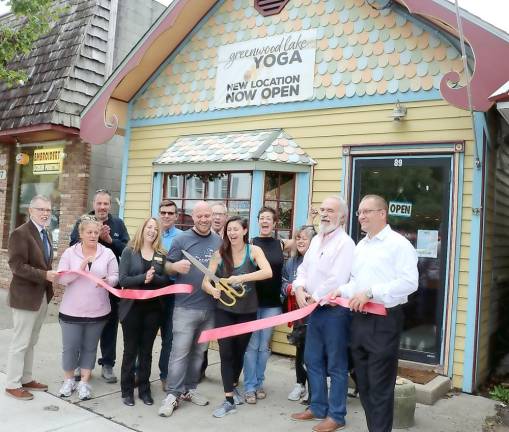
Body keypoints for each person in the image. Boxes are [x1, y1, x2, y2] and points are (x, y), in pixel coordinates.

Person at [335, 195, 418, 432]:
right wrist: (339, 291)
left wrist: (372, 292)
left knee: (380, 387)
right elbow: (355, 284)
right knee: (364, 383)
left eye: (367, 211)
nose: (361, 216)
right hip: (359, 320)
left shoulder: (398, 244)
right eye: (359, 212)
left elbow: (410, 283)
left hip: (384, 321)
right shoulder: (361, 246)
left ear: (382, 213)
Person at [291, 196, 355, 432]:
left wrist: (312, 296)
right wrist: (298, 288)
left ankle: (336, 415)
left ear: (342, 217)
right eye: (323, 210)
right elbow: (303, 269)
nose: (325, 214)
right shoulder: (316, 239)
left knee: (337, 365)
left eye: (331, 210)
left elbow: (337, 279)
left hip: (335, 312)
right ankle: (317, 407)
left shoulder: (345, 244)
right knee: (312, 360)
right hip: (314, 311)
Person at [203, 217, 272, 418]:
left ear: (244, 230)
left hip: (248, 311)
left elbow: (267, 272)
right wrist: (212, 290)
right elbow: (206, 282)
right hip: (223, 310)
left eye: (235, 229)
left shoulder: (254, 251)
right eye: (228, 230)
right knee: (225, 353)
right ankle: (229, 399)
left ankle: (233, 384)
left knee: (239, 352)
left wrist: (240, 278)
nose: (231, 233)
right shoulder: (219, 254)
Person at [158, 201, 222, 417]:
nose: (204, 220)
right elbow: (166, 266)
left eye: (207, 216)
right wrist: (174, 266)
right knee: (179, 353)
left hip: (210, 307)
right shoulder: (181, 239)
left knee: (199, 354)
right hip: (185, 307)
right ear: (192, 217)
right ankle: (172, 394)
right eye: (200, 216)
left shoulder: (219, 241)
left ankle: (189, 390)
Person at [56, 215, 119, 400]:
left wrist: (109, 281)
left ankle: (84, 382)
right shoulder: (69, 253)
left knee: (90, 348)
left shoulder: (107, 253)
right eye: (89, 232)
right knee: (70, 347)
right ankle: (68, 381)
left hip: (98, 310)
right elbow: (62, 279)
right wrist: (79, 270)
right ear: (81, 234)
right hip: (71, 311)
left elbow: (116, 276)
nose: (93, 235)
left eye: (96, 232)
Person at [70, 189, 129, 383]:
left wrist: (110, 240)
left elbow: (128, 251)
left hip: (109, 286)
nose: (102, 207)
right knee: (84, 325)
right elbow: (72, 246)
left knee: (109, 326)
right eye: (99, 203)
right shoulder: (82, 221)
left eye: (106, 204)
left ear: (110, 205)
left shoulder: (118, 224)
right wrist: (91, 237)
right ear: (94, 204)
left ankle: (108, 364)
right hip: (85, 286)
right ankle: (82, 363)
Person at [5, 195, 57, 400]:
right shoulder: (20, 233)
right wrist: (45, 275)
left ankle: (26, 378)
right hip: (25, 297)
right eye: (41, 209)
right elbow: (17, 267)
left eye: (48, 210)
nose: (45, 213)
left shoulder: (46, 233)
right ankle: (12, 383)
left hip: (42, 295)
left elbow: (44, 263)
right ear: (30, 211)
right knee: (20, 341)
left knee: (31, 341)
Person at [118, 217, 172, 406]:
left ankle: (144, 389)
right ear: (142, 229)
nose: (152, 231)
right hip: (131, 308)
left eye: (155, 229)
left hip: (153, 309)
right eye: (149, 227)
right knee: (130, 350)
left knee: (147, 351)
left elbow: (165, 280)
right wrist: (143, 277)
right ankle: (126, 390)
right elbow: (123, 280)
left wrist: (153, 278)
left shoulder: (160, 254)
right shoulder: (129, 251)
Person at [243, 206, 292, 404]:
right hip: (252, 302)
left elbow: (305, 237)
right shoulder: (250, 243)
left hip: (272, 304)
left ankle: (259, 383)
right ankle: (249, 387)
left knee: (264, 347)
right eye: (261, 218)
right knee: (251, 346)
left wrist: (311, 217)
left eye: (268, 218)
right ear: (258, 221)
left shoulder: (281, 244)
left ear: (274, 223)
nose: (264, 221)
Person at [281, 225, 316, 403]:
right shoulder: (291, 262)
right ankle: (299, 384)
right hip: (298, 315)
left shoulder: (318, 260)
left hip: (316, 315)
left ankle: (314, 387)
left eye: (304, 238)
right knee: (300, 350)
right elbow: (284, 281)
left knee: (313, 352)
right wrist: (289, 288)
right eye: (298, 238)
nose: (300, 241)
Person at [200, 201, 228, 380]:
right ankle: (199, 370)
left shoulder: (232, 236)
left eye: (221, 214)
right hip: (205, 291)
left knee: (225, 337)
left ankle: (228, 375)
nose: (217, 217)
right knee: (203, 335)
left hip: (226, 295)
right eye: (214, 214)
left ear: (226, 217)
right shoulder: (204, 236)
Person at [157, 199, 182, 390]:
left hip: (173, 294)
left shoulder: (182, 238)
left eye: (170, 213)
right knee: (145, 337)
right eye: (163, 212)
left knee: (169, 338)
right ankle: (138, 373)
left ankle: (165, 375)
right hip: (151, 293)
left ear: (176, 216)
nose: (166, 216)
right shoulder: (150, 233)